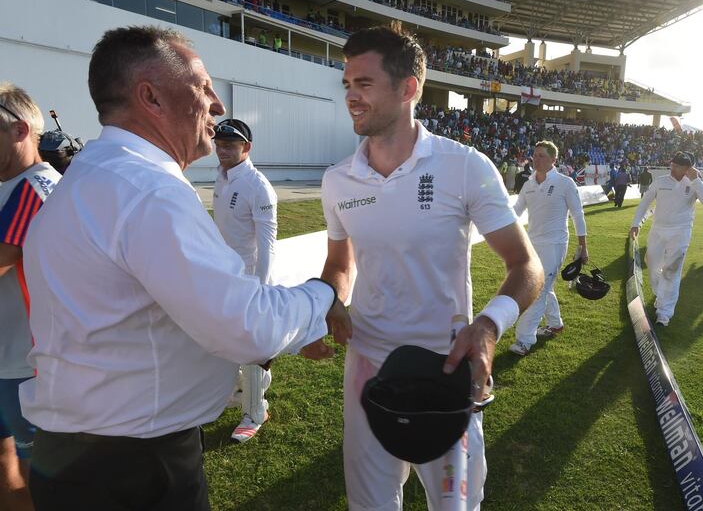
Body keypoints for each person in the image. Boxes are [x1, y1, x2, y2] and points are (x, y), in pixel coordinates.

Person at [19, 26, 344, 510]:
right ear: (150, 96)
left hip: (82, 451)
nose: (217, 104)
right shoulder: (148, 188)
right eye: (203, 87)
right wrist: (327, 294)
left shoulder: (92, 175)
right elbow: (244, 326)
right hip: (132, 466)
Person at [320, 26, 543, 511]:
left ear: (409, 89)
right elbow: (340, 263)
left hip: (445, 368)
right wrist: (329, 303)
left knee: (455, 506)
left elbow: (526, 264)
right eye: (347, 85)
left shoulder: (463, 165)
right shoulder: (337, 180)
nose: (351, 98)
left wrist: (488, 326)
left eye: (364, 84)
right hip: (367, 370)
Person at [0, 83, 62, 511]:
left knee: (32, 473)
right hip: (9, 360)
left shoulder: (35, 187)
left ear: (21, 130)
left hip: (24, 365)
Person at [212, 118, 278, 443]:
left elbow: (268, 244)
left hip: (250, 281)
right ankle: (241, 392)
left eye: (230, 145)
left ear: (246, 148)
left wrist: (262, 290)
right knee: (225, 341)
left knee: (253, 348)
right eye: (219, 144)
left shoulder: (257, 186)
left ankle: (256, 411)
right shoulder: (222, 177)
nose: (222, 150)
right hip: (224, 278)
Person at [509, 140, 588, 356]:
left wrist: (583, 247)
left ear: (554, 160)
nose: (537, 159)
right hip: (531, 244)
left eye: (542, 155)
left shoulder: (565, 183)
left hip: (554, 245)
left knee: (537, 290)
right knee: (547, 287)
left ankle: (524, 340)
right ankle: (555, 323)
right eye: (535, 155)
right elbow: (515, 211)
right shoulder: (529, 184)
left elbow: (578, 215)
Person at [630, 152, 703, 327]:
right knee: (652, 264)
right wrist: (636, 223)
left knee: (672, 271)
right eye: (672, 164)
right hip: (658, 231)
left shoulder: (694, 183)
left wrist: (696, 181)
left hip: (680, 232)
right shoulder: (660, 181)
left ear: (688, 168)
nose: (673, 168)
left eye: (678, 166)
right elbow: (645, 202)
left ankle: (664, 313)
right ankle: (660, 296)